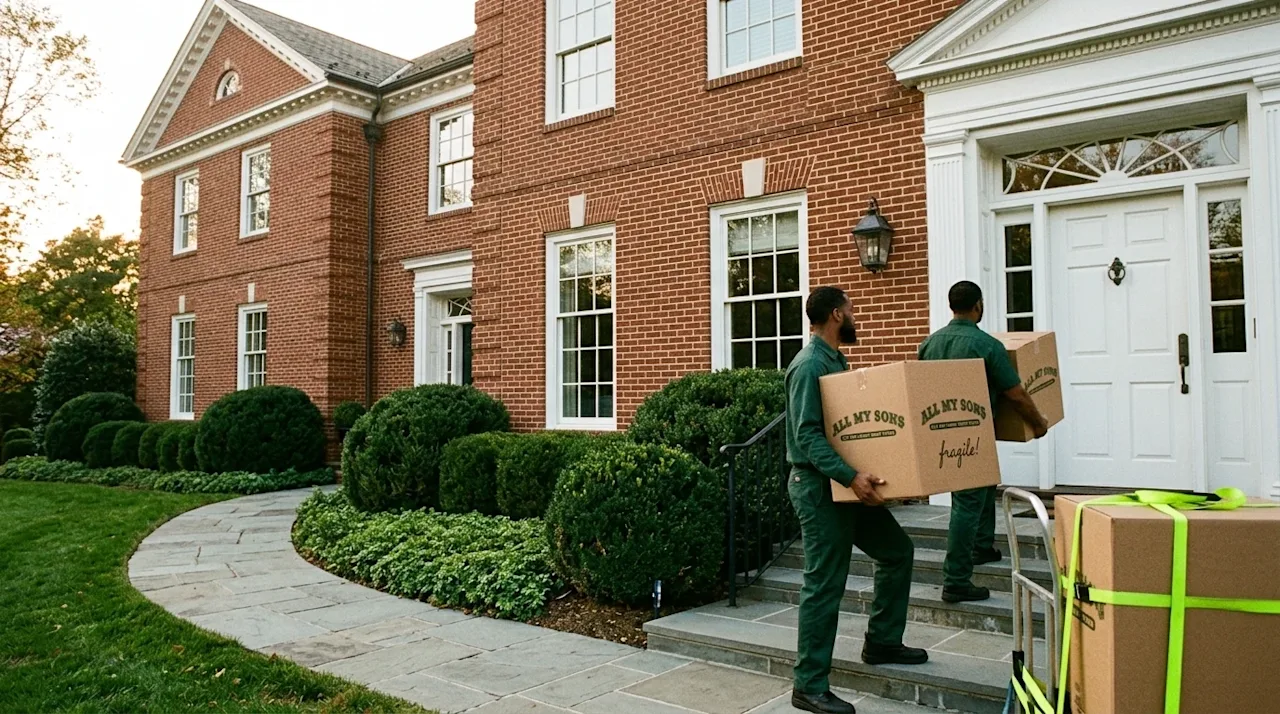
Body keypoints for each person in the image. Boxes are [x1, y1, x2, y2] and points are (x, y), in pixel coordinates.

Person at [785, 286, 927, 714]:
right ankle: (808, 685)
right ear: (835, 315)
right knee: (824, 584)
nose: (855, 314)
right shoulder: (809, 365)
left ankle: (882, 642)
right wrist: (851, 475)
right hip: (818, 488)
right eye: (851, 309)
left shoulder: (835, 359)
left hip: (844, 486)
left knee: (897, 551)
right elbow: (807, 435)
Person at [917, 280, 1049, 604]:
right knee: (966, 503)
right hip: (972, 431)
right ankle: (956, 580)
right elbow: (1015, 393)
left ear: (952, 306)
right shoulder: (987, 345)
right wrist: (1038, 423)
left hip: (938, 430)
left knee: (985, 486)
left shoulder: (929, 344)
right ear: (978, 305)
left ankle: (982, 547)